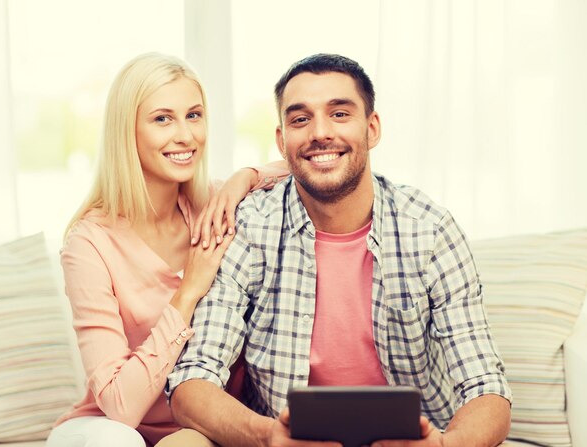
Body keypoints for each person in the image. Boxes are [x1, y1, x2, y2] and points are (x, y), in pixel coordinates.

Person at [162, 53, 512, 447]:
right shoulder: (249, 227)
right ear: (281, 140)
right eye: (300, 119)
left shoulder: (429, 230)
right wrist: (268, 437)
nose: (319, 132)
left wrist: (446, 445)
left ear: (372, 128)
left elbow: (486, 386)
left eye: (340, 114)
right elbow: (193, 378)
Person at [46, 53, 287, 447]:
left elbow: (309, 163)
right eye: (162, 119)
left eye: (194, 115)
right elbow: (120, 406)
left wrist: (245, 176)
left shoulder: (214, 205)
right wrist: (189, 290)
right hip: (109, 428)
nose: (186, 136)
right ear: (127, 131)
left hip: (196, 427)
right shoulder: (88, 243)